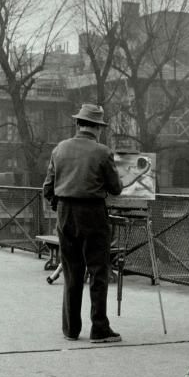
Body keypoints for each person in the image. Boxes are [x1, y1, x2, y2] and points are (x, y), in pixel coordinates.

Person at [43, 103, 123, 343]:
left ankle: (71, 329)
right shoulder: (102, 152)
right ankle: (99, 328)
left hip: (65, 213)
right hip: (93, 214)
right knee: (98, 271)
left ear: (78, 124)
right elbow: (116, 188)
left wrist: (60, 205)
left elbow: (48, 188)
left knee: (71, 271)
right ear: (98, 128)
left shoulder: (59, 149)